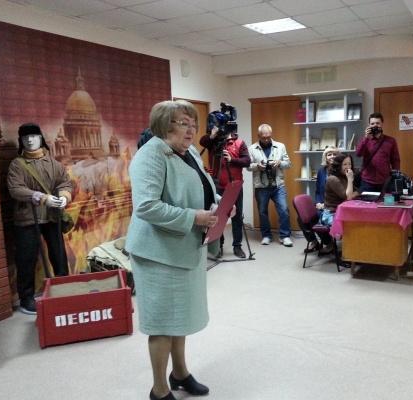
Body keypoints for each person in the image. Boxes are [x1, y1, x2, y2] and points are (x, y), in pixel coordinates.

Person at [125, 100, 227, 400]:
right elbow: (146, 206)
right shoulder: (150, 156)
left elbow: (204, 188)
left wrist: (220, 206)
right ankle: (159, 389)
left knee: (179, 316)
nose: (191, 129)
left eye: (194, 124)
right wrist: (194, 217)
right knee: (162, 323)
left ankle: (180, 373)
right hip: (158, 253)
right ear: (164, 124)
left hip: (184, 248)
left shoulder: (189, 151)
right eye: (184, 123)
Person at [7, 122, 72, 315]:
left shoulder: (53, 164)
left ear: (41, 138)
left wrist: (64, 197)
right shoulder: (17, 165)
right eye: (25, 137)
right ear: (21, 141)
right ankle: (26, 297)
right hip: (27, 218)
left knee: (58, 254)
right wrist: (42, 197)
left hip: (51, 216)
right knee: (26, 258)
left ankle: (63, 287)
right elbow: (16, 188)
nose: (30, 140)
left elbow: (65, 182)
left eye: (33, 136)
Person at [199, 122, 250, 259]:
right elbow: (202, 142)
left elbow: (247, 161)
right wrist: (212, 136)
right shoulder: (213, 142)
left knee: (237, 217)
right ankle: (218, 246)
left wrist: (232, 160)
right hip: (217, 186)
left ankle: (237, 246)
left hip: (234, 185)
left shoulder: (239, 143)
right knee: (218, 218)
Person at [247, 123, 293, 247]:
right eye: (263, 138)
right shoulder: (252, 149)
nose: (266, 140)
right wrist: (257, 166)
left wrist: (279, 163)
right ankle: (266, 235)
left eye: (268, 137)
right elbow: (248, 166)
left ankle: (285, 236)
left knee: (284, 210)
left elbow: (288, 164)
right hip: (261, 187)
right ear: (258, 136)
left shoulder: (280, 146)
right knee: (262, 212)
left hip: (278, 186)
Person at [320, 154, 359, 254]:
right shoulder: (333, 179)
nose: (348, 167)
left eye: (349, 164)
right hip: (331, 213)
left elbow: (357, 191)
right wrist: (350, 180)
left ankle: (353, 251)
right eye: (344, 164)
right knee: (350, 227)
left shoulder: (344, 177)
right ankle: (346, 253)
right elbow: (348, 197)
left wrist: (351, 193)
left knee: (359, 223)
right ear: (338, 165)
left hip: (342, 212)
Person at [354, 112, 401, 193]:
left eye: (377, 123)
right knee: (367, 201)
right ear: (369, 125)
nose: (375, 125)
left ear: (382, 124)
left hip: (385, 180)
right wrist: (366, 137)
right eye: (372, 124)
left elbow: (395, 160)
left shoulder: (391, 141)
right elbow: (358, 154)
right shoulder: (364, 140)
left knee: (386, 201)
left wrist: (395, 175)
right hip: (367, 181)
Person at [307, 145, 340, 253]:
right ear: (325, 157)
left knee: (317, 217)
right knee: (303, 217)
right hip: (321, 204)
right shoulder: (321, 171)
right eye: (329, 154)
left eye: (335, 154)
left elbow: (340, 194)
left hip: (333, 206)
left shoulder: (340, 171)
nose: (332, 156)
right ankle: (313, 241)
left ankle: (329, 243)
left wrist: (325, 205)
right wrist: (318, 203)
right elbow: (317, 191)